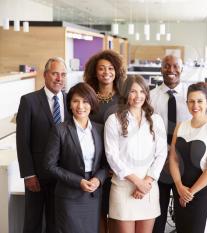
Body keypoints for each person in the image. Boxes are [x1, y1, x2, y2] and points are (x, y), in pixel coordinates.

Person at [104, 75, 167, 233]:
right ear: (125, 94)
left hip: (148, 187)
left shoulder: (156, 120)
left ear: (146, 94)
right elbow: (112, 156)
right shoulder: (114, 120)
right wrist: (137, 182)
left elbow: (161, 154)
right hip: (123, 186)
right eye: (133, 91)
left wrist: (146, 181)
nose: (138, 96)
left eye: (141, 91)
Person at [44, 82, 108, 233]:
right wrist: (78, 181)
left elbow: (105, 164)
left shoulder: (100, 129)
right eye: (75, 101)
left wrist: (98, 179)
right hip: (68, 196)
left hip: (93, 195)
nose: (80, 106)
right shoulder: (59, 130)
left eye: (85, 101)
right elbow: (49, 165)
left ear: (92, 104)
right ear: (70, 105)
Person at [16, 57, 70, 233]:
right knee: (33, 221)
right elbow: (22, 141)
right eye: (55, 73)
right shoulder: (29, 101)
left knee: (56, 222)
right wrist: (28, 174)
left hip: (63, 174)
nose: (59, 78)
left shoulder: (72, 102)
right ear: (46, 75)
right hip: (37, 175)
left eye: (63, 74)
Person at [169, 82, 207, 233]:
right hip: (180, 189)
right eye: (191, 101)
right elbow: (173, 158)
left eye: (200, 101)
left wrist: (190, 192)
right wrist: (179, 187)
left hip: (202, 192)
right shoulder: (180, 126)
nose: (195, 105)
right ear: (186, 103)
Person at [84, 49, 126, 233]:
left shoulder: (124, 97)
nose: (106, 72)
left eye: (110, 68)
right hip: (92, 160)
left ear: (117, 71)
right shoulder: (86, 95)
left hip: (118, 160)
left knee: (116, 210)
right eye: (101, 68)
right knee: (97, 210)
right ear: (95, 71)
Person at [150, 54, 192, 233]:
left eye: (176, 66)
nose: (171, 70)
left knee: (184, 211)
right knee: (158, 212)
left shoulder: (191, 95)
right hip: (158, 161)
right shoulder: (151, 96)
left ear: (182, 69)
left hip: (186, 161)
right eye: (167, 66)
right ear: (161, 69)